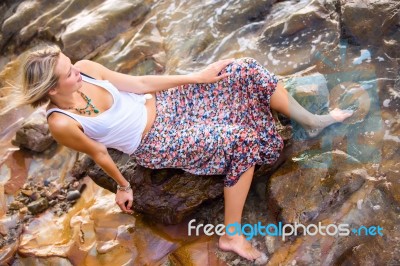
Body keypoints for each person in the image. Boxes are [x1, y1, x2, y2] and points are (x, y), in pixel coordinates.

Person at [2, 46, 353, 261]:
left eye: (70, 64)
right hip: (155, 141)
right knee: (240, 142)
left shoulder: (88, 69)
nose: (76, 70)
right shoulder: (61, 123)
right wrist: (124, 186)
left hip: (168, 104)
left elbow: (138, 84)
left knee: (242, 69)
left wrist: (196, 77)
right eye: (68, 73)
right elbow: (100, 154)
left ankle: (312, 120)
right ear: (51, 88)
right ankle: (231, 234)